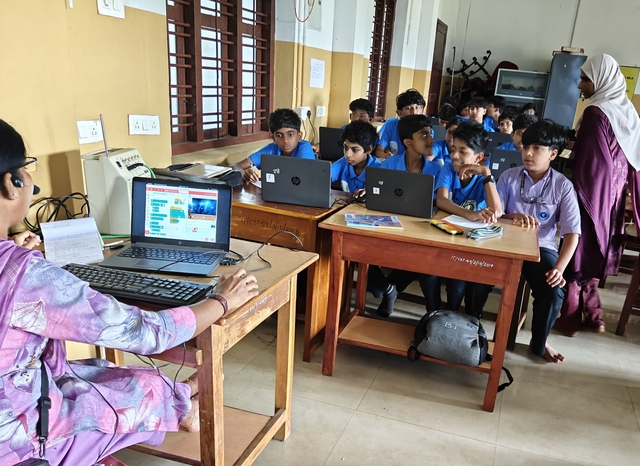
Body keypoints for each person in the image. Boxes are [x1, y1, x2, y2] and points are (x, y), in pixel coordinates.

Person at [0, 119, 260, 464]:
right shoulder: (29, 277)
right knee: (142, 387)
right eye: (27, 168)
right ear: (12, 184)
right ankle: (184, 407)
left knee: (98, 370)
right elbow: (147, 333)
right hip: (18, 441)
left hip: (20, 393)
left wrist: (11, 249)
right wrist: (222, 300)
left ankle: (182, 396)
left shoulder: (17, 267)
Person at [555, 53, 640, 336]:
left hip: (590, 195)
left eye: (585, 79)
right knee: (596, 252)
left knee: (577, 252)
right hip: (614, 199)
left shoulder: (595, 113)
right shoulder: (626, 111)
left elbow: (591, 163)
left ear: (602, 80)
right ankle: (595, 317)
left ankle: (569, 321)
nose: (580, 85)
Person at [497, 120, 580, 363]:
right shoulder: (509, 177)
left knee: (553, 291)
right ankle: (473, 330)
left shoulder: (563, 186)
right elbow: (495, 214)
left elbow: (572, 233)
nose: (528, 154)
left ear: (553, 154)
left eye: (537, 148)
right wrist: (513, 216)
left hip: (539, 247)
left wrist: (559, 269)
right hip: (504, 242)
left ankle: (539, 341)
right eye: (525, 147)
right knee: (474, 276)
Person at [419, 121, 502, 317]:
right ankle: (434, 313)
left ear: (478, 157)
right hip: (446, 234)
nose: (455, 155)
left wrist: (486, 173)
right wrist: (469, 214)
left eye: (462, 151)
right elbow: (442, 200)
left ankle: (451, 316)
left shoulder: (483, 177)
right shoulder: (448, 169)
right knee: (427, 274)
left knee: (457, 283)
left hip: (469, 241)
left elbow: (497, 210)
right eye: (453, 149)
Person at [368, 115, 442, 317]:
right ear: (408, 142)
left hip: (421, 230)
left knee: (422, 259)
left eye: (431, 134)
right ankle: (387, 288)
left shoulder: (436, 170)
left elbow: (440, 205)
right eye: (424, 135)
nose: (431, 139)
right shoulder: (391, 164)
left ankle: (394, 291)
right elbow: (377, 193)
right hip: (390, 226)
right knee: (359, 248)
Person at [233, 108, 315, 182]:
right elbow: (234, 166)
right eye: (279, 136)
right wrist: (243, 173)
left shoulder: (304, 147)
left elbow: (305, 176)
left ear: (299, 136)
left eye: (290, 135)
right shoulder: (272, 149)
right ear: (274, 138)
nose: (285, 140)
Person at [374, 89, 426, 160]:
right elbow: (379, 151)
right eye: (408, 108)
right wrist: (386, 156)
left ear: (422, 110)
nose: (414, 112)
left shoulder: (426, 129)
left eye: (417, 107)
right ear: (400, 113)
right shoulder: (391, 125)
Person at [331, 120, 381, 193]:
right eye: (346, 148)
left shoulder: (378, 170)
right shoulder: (343, 163)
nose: (347, 154)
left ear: (368, 149)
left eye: (355, 150)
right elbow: (325, 176)